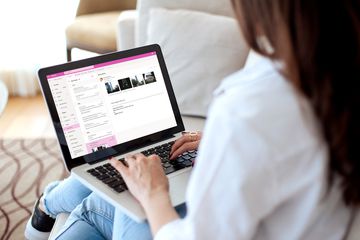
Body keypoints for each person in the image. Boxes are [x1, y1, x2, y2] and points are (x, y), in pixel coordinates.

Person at [25, 0, 360, 239]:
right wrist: (221, 145)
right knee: (121, 179)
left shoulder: (249, 110)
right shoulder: (336, 79)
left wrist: (155, 194)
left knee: (104, 200)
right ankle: (51, 201)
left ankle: (47, 203)